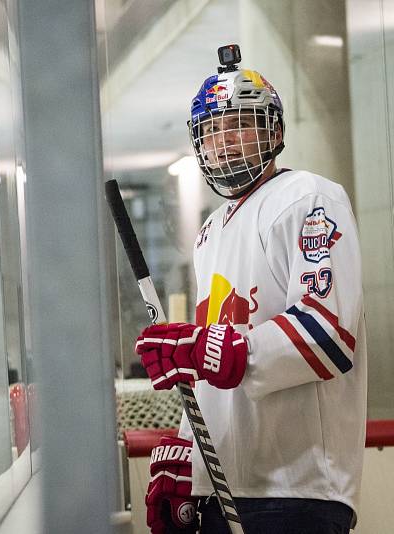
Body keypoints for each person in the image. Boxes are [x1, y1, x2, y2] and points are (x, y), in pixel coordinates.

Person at [135, 46, 366, 534]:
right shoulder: (211, 230)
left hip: (298, 489)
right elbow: (211, 360)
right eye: (213, 130)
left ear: (275, 132)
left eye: (240, 123)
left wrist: (205, 349)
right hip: (226, 488)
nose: (225, 141)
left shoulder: (309, 197)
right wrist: (189, 460)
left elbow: (328, 336)